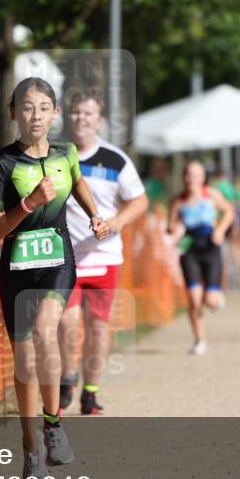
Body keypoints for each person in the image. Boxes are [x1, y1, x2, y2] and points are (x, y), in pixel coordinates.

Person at [0, 77, 110, 479]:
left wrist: (93, 214)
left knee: (44, 332)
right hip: (16, 268)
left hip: (58, 259)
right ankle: (30, 445)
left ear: (55, 113)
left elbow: (77, 181)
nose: (34, 115)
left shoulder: (66, 152)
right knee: (23, 362)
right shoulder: (3, 163)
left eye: (42, 108)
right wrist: (28, 204)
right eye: (25, 107)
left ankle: (54, 425)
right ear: (12, 114)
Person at [57, 89, 148, 415]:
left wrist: (117, 222)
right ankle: (68, 375)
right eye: (76, 112)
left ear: (101, 121)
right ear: (68, 117)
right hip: (65, 257)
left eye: (88, 114)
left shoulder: (114, 159)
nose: (82, 118)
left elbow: (139, 200)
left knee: (97, 327)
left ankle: (91, 391)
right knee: (66, 323)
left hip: (105, 256)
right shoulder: (54, 155)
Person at [168, 161, 235, 356]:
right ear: (183, 177)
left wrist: (221, 230)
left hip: (211, 249)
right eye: (188, 175)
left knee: (210, 301)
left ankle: (215, 299)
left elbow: (229, 211)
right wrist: (175, 231)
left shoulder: (211, 195)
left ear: (203, 178)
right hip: (190, 252)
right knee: (193, 299)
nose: (192, 179)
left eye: (196, 175)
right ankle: (199, 340)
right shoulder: (178, 201)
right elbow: (171, 226)